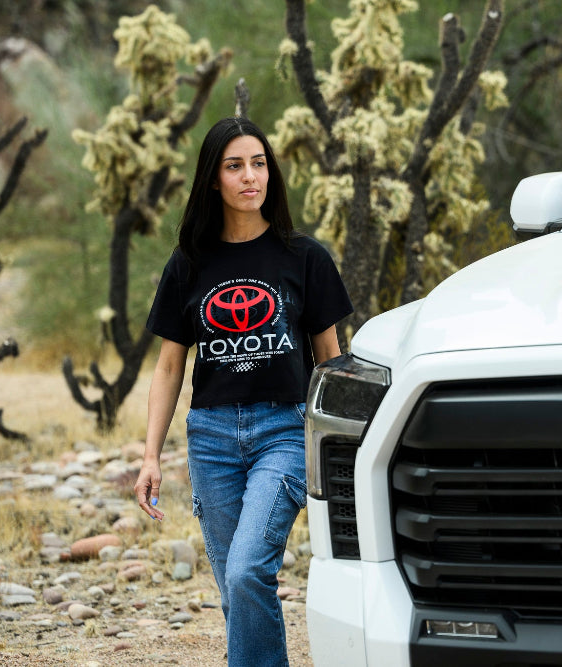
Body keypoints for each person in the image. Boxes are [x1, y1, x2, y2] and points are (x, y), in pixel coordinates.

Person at [134, 116, 352, 667]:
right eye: (234, 166)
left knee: (247, 568)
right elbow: (167, 368)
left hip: (284, 429)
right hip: (210, 438)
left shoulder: (305, 258)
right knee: (237, 590)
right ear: (214, 179)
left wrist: (343, 442)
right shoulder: (188, 264)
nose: (249, 176)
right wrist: (150, 455)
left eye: (259, 163)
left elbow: (331, 359)